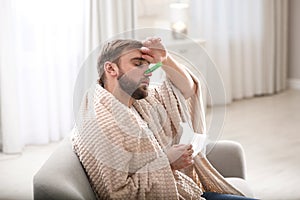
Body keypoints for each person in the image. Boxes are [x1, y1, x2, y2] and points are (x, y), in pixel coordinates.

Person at [72, 37, 257, 200]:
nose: (148, 72)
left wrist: (164, 59)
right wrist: (167, 163)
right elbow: (119, 194)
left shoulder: (137, 101)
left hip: (187, 192)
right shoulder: (102, 124)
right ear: (111, 68)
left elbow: (187, 88)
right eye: (138, 64)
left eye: (149, 66)